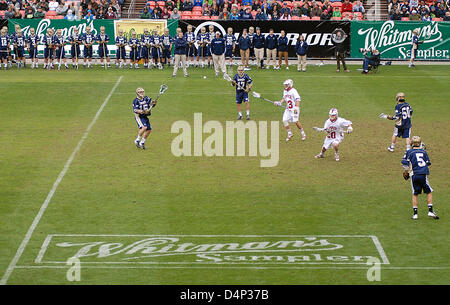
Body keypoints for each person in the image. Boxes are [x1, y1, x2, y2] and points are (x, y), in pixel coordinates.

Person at [401, 136, 439, 220]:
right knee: (429, 191)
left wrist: (406, 171)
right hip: (423, 174)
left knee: (415, 193)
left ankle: (415, 214)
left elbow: (404, 163)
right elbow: (428, 163)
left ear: (412, 143)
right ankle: (430, 211)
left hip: (414, 175)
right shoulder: (424, 152)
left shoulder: (409, 152)